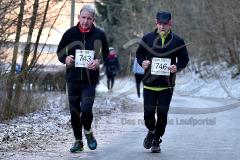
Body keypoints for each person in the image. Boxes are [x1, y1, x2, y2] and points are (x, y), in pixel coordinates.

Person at [56, 5, 109, 153]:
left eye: (89, 19)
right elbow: (59, 51)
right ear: (79, 17)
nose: (85, 21)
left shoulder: (99, 34)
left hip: (90, 79)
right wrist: (65, 59)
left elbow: (105, 53)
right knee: (74, 112)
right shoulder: (70, 33)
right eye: (83, 17)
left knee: (86, 109)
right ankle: (78, 141)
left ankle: (88, 131)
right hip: (72, 78)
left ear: (93, 20)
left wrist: (98, 61)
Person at [136, 11, 189, 153]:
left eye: (165, 24)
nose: (162, 26)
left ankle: (156, 140)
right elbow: (139, 54)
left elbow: (184, 59)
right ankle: (152, 130)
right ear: (156, 22)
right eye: (160, 23)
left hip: (167, 85)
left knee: (162, 115)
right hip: (149, 84)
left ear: (170, 23)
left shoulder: (178, 41)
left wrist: (176, 67)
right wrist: (143, 62)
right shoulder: (147, 38)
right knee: (148, 115)